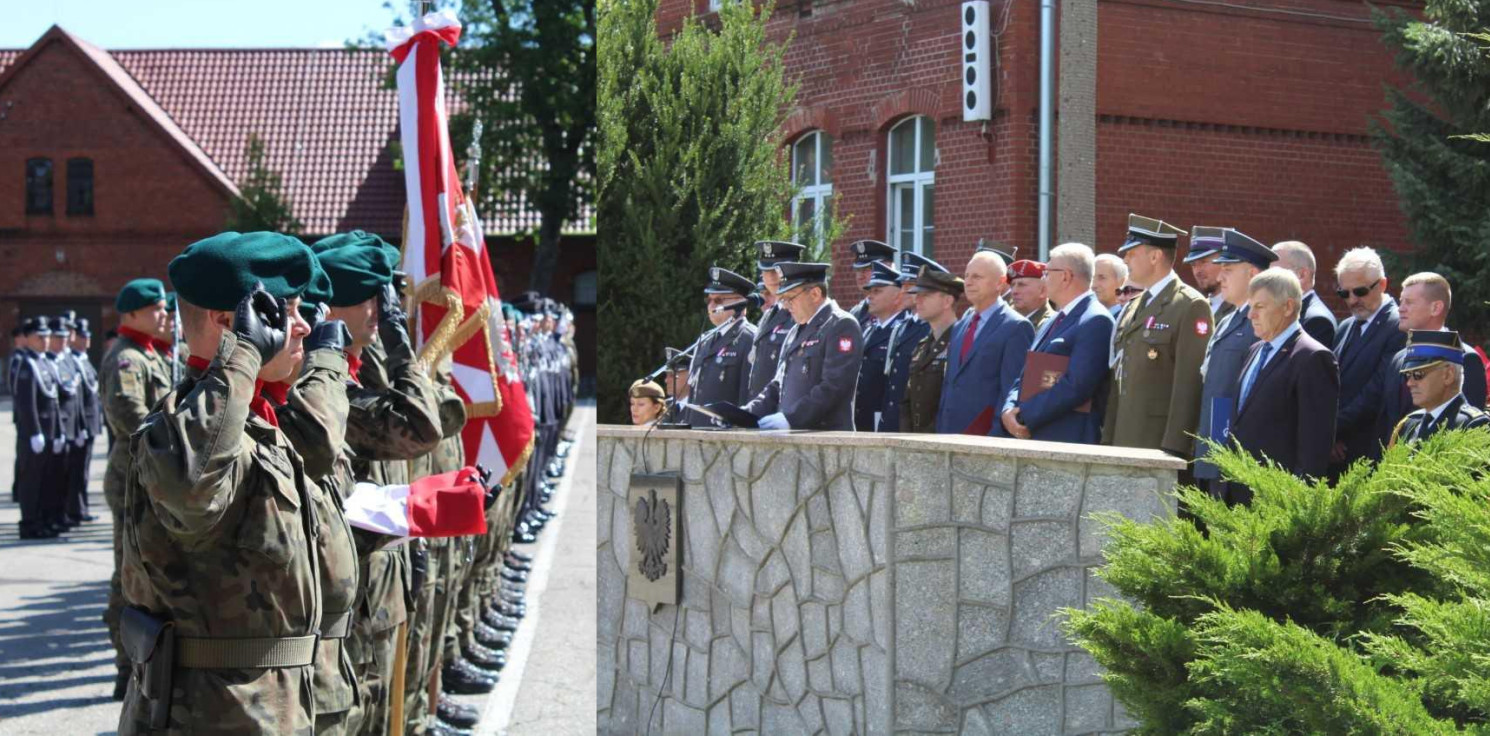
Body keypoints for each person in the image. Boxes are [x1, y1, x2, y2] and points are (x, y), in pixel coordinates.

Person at [118, 231, 324, 734]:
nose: (302, 327)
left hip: (268, 700)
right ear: (229, 323)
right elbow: (192, 493)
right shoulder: (178, 430)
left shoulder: (257, 417)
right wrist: (243, 357)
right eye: (284, 313)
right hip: (211, 711)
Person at [312, 230, 445, 736]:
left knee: (380, 705)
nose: (381, 309)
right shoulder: (327, 386)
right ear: (333, 305)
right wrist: (398, 338)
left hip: (380, 579)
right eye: (368, 298)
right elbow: (420, 427)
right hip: (355, 592)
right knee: (360, 713)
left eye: (383, 298)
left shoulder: (359, 369)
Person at [99, 277, 172, 699]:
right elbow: (131, 417)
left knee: (147, 573)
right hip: (133, 480)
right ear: (130, 315)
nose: (164, 315)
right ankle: (126, 666)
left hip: (151, 478)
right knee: (128, 576)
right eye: (156, 308)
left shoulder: (151, 355)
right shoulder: (127, 359)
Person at [1227, 269, 1339, 502]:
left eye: (1259, 307)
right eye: (1250, 306)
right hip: (1239, 491)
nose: (1250, 315)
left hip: (1277, 499)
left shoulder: (1313, 357)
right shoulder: (1254, 351)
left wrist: (1297, 500)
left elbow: (1314, 445)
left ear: (1288, 307)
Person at [1104, 214, 1212, 457]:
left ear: (1155, 256)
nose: (1126, 259)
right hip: (1125, 437)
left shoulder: (1189, 305)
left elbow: (1189, 383)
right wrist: (1108, 437)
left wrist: (1175, 448)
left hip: (1157, 443)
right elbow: (1119, 376)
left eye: (1132, 253)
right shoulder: (1134, 305)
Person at [999, 242, 1114, 443]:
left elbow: (1076, 386)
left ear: (1066, 276)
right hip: (1039, 433)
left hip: (1067, 437)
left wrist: (1024, 414)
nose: (1044, 278)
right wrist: (1009, 407)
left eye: (1047, 272)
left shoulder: (1095, 320)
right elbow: (1027, 372)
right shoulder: (1055, 319)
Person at [1368, 273, 1486, 447]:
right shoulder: (1399, 358)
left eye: (1409, 302)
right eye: (1401, 301)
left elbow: (1466, 433)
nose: (1400, 308)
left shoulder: (1465, 358)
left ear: (1435, 308)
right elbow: (1385, 424)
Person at [740, 261, 862, 430]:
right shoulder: (797, 329)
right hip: (796, 437)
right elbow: (777, 386)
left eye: (790, 298)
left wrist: (791, 419)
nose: (785, 305)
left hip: (827, 440)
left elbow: (834, 387)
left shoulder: (841, 325)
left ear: (815, 294)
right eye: (783, 299)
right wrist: (744, 415)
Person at [1192, 230, 1270, 498]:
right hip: (1213, 448)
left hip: (1235, 456)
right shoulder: (1228, 319)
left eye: (1228, 269)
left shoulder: (1259, 323)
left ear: (1251, 274)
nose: (1220, 275)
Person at [937, 251, 1034, 435]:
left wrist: (994, 439)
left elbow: (1011, 389)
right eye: (966, 276)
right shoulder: (960, 326)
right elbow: (950, 385)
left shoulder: (1016, 327)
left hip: (985, 440)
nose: (968, 282)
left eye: (977, 277)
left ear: (1000, 282)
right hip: (949, 435)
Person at [1330, 246, 1405, 474]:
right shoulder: (1345, 327)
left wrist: (1332, 430)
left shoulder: (1398, 327)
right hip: (1336, 450)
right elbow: (1330, 384)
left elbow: (1376, 391)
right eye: (1344, 293)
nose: (1353, 300)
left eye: (1360, 291)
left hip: (1368, 450)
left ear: (1382, 285)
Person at [854, 261, 924, 431]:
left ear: (898, 295)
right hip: (863, 419)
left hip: (890, 419)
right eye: (869, 291)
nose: (870, 296)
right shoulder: (869, 330)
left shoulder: (902, 330)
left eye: (877, 291)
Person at [1389, 330, 1490, 446]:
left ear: (1448, 375)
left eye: (1418, 374)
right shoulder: (1409, 424)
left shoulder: (1473, 425)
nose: (1410, 383)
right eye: (1408, 375)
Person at [686, 267, 758, 420]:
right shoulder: (704, 340)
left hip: (725, 434)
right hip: (696, 432)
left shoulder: (750, 338)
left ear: (740, 303)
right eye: (709, 300)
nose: (711, 305)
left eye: (718, 300)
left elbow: (748, 394)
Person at [899, 267, 963, 433]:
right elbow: (908, 400)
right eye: (917, 295)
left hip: (945, 440)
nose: (917, 300)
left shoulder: (961, 342)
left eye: (925, 295)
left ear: (947, 301)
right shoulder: (922, 345)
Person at [13, 317, 60, 540]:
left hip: (49, 431)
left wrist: (58, 431)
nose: (45, 341)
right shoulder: (27, 363)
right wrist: (34, 432)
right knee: (31, 481)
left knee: (45, 480)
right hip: (35, 433)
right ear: (28, 339)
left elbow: (55, 401)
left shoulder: (44, 361)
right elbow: (26, 403)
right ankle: (29, 523)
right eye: (40, 337)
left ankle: (41, 520)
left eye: (47, 336)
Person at [747, 240, 806, 400]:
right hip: (759, 408)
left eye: (776, 270)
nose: (771, 276)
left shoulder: (803, 311)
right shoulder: (770, 314)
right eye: (766, 270)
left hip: (784, 410)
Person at [66, 317, 101, 526]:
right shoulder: (70, 360)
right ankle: (73, 510)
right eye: (82, 336)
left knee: (83, 470)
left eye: (88, 335)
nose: (86, 339)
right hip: (80, 423)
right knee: (75, 470)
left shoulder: (83, 359)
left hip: (90, 423)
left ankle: (81, 508)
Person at [1272, 240, 1337, 347]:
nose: (1267, 280)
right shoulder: (1289, 310)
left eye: (1275, 273)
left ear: (1302, 275)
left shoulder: (1317, 321)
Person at [847, 239, 898, 324]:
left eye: (867, 269)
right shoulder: (855, 313)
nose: (860, 276)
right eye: (858, 270)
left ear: (887, 267)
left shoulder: (901, 309)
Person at [1183, 228, 1228, 318]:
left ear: (1224, 262)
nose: (1197, 271)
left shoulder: (1241, 309)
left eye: (1204, 262)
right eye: (1193, 264)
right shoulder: (1194, 308)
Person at [1008, 260, 1054, 328]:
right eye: (1012, 285)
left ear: (1043, 291)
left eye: (1021, 285)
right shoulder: (1006, 319)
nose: (1014, 291)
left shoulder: (1051, 324)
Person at [1094, 253, 1129, 318]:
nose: (1094, 285)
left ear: (1121, 282)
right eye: (1092, 278)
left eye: (1102, 277)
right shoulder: (1085, 316)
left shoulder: (1129, 318)